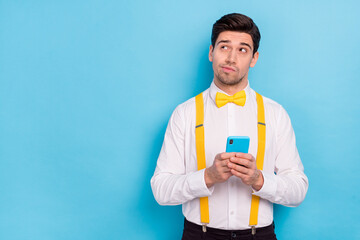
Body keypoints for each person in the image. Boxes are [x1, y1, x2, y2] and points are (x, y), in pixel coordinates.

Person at [151, 13, 308, 240]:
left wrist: (259, 180)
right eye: (224, 47)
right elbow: (161, 189)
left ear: (254, 59)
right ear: (211, 53)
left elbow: (298, 190)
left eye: (243, 49)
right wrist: (208, 176)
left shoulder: (276, 114)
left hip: (259, 235)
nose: (232, 58)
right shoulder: (184, 114)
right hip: (199, 234)